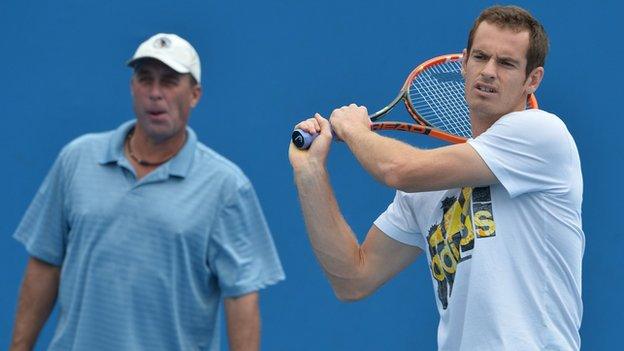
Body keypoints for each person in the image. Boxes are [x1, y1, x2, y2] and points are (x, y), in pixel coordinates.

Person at [289, 5, 583, 351]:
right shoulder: (427, 190)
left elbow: (397, 170)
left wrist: (354, 131)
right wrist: (310, 172)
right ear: (463, 63)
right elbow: (353, 278)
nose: (489, 71)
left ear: (532, 80)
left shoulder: (542, 134)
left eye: (506, 63)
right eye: (481, 57)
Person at [11, 33, 284, 351]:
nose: (155, 94)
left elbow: (242, 298)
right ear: (132, 88)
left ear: (195, 95)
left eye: (169, 82)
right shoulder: (77, 159)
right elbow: (45, 263)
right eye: (145, 79)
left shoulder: (225, 185)